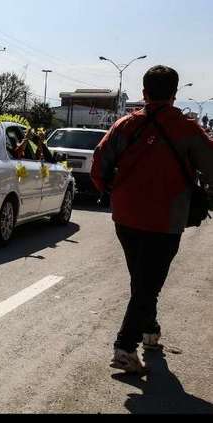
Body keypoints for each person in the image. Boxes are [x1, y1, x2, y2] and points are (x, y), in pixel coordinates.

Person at [91, 65, 213, 374]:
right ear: (174, 94)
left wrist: (113, 192)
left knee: (142, 279)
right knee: (148, 284)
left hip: (126, 217)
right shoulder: (187, 129)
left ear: (144, 93)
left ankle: (150, 329)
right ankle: (125, 347)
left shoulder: (124, 126)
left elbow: (99, 164)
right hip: (166, 220)